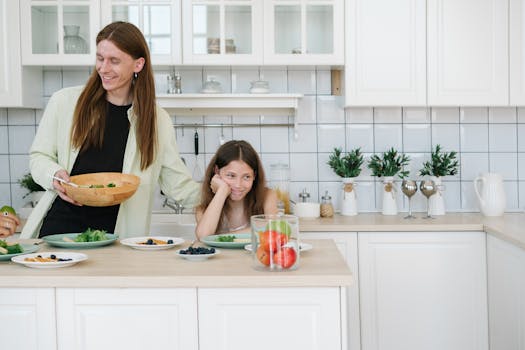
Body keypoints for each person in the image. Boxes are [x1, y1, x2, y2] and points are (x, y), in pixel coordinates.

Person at [21, 21, 199, 239]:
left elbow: (177, 185)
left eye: (114, 61)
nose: (103, 68)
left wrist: (222, 192)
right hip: (59, 233)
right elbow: (39, 156)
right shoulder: (64, 102)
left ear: (138, 64)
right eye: (100, 58)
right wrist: (54, 175)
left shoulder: (157, 120)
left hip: (117, 240)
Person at [195, 140, 278, 239]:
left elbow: (273, 228)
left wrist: (219, 238)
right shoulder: (205, 207)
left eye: (246, 177)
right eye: (231, 176)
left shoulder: (267, 196)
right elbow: (203, 236)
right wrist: (221, 191)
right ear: (217, 171)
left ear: (254, 175)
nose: (238, 185)